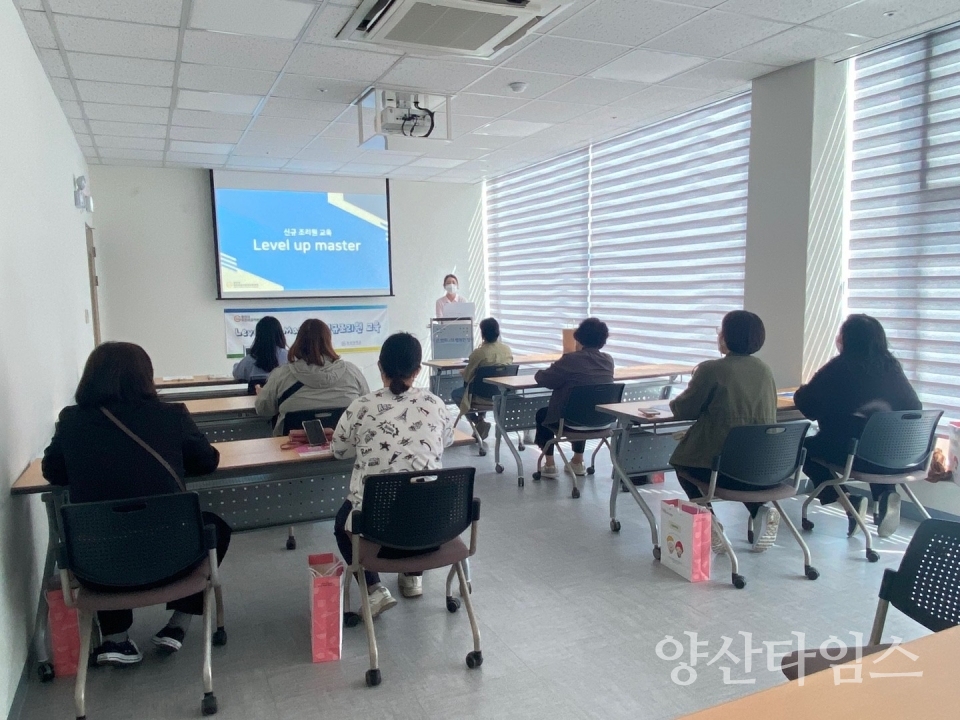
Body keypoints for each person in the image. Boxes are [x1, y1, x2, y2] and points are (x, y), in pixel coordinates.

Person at [41, 342, 230, 667]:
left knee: (107, 532)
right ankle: (179, 623)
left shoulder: (71, 421)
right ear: (146, 377)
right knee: (216, 527)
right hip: (174, 559)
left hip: (97, 568)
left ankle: (116, 639)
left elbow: (53, 472)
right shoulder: (171, 416)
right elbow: (207, 461)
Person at [331, 333, 455, 609]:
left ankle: (375, 588)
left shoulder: (362, 406)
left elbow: (339, 451)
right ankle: (412, 577)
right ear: (418, 370)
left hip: (377, 524)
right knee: (417, 494)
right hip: (431, 524)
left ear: (379, 367)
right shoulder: (437, 404)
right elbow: (446, 442)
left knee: (342, 524)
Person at [795, 314, 921, 537]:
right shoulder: (892, 367)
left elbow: (807, 403)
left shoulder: (840, 368)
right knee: (875, 443)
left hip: (853, 452)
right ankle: (885, 495)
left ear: (846, 339)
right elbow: (915, 407)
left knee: (801, 448)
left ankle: (848, 501)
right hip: (899, 455)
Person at [669, 311, 779, 553]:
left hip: (720, 466)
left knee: (682, 464)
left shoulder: (711, 369)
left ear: (727, 337)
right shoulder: (765, 369)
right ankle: (760, 509)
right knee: (739, 473)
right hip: (759, 466)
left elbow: (684, 410)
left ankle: (710, 522)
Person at [255, 319, 369, 436]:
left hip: (290, 449)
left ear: (298, 341)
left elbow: (263, 410)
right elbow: (366, 406)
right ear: (328, 341)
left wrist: (263, 394)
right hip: (343, 449)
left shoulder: (280, 375)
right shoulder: (352, 372)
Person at [534, 318, 614, 478]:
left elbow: (545, 380)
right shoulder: (608, 361)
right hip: (602, 420)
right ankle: (578, 461)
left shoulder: (570, 360)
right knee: (585, 406)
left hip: (571, 422)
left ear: (578, 337)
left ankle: (549, 464)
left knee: (544, 414)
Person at [451, 317, 513, 439]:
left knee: (457, 394)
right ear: (498, 332)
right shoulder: (507, 350)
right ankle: (480, 419)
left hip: (481, 397)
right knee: (484, 386)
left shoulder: (479, 353)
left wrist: (463, 372)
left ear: (482, 334)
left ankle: (478, 422)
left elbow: (468, 378)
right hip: (502, 396)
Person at [232, 315, 288, 381]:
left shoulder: (248, 360)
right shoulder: (288, 357)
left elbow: (237, 374)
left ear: (258, 337)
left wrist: (236, 366)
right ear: (280, 335)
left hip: (256, 391)